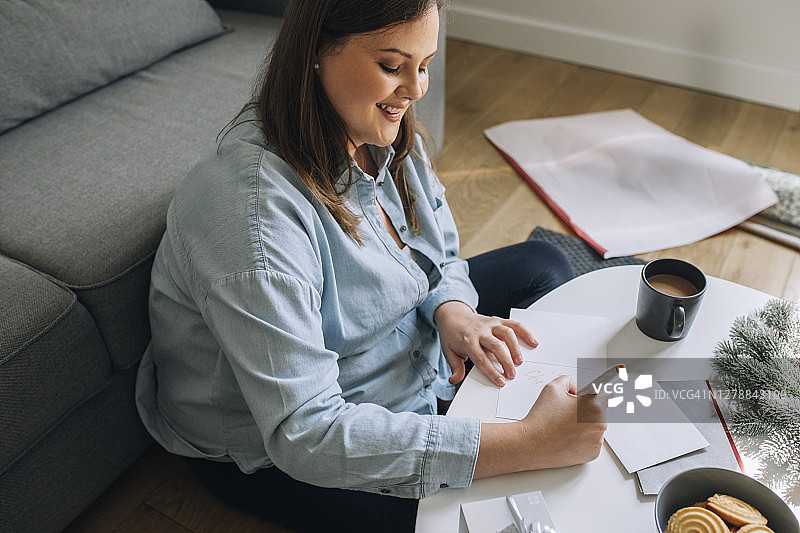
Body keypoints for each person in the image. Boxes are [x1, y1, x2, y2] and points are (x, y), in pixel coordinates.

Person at [135, 1, 608, 531]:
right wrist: (524, 444)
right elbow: (306, 433)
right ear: (315, 52)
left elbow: (440, 251)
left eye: (424, 64)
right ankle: (573, 431)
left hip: (403, 356)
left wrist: (451, 309)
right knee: (510, 508)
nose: (417, 88)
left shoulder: (378, 127)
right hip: (289, 446)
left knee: (544, 265)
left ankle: (638, 421)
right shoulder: (255, 219)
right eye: (392, 66)